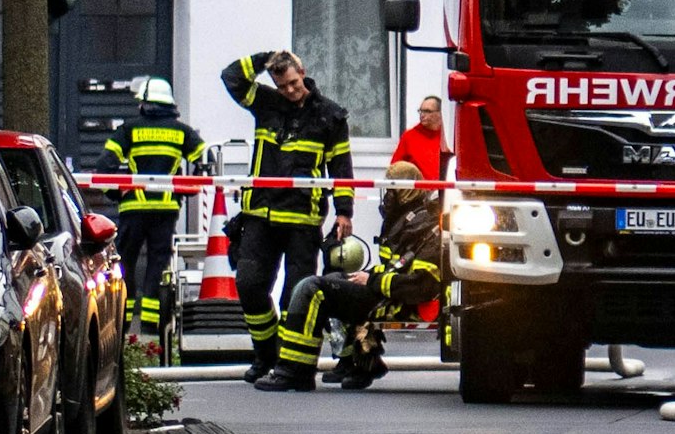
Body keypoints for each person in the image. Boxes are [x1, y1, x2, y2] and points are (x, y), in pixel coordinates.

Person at [221, 50, 355, 382]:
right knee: (250, 286)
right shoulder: (265, 103)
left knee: (296, 295)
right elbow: (231, 77)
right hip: (260, 216)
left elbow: (341, 168)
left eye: (293, 84)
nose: (290, 91)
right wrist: (267, 57)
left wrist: (344, 212)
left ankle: (295, 367)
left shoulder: (330, 117)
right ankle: (266, 354)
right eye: (282, 86)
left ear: (303, 74)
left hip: (302, 220)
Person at [256, 161, 442, 392]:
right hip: (387, 292)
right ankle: (364, 362)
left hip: (397, 300)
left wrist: (371, 280)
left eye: (391, 191)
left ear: (405, 192)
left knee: (312, 290)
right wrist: (369, 275)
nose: (387, 199)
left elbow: (422, 286)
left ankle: (294, 371)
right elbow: (396, 267)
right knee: (335, 278)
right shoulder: (406, 219)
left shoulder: (425, 226)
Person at [95, 77, 207, 337]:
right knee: (158, 264)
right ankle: (150, 327)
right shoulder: (182, 132)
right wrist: (183, 188)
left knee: (125, 263)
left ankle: (122, 323)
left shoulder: (128, 130)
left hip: (133, 209)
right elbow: (205, 161)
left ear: (145, 103)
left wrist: (115, 193)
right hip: (166, 211)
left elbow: (104, 167)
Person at [390, 95, 452, 178]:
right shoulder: (409, 137)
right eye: (421, 111)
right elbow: (395, 168)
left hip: (446, 188)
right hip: (419, 189)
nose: (422, 115)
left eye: (427, 111)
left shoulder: (449, 136)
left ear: (440, 113)